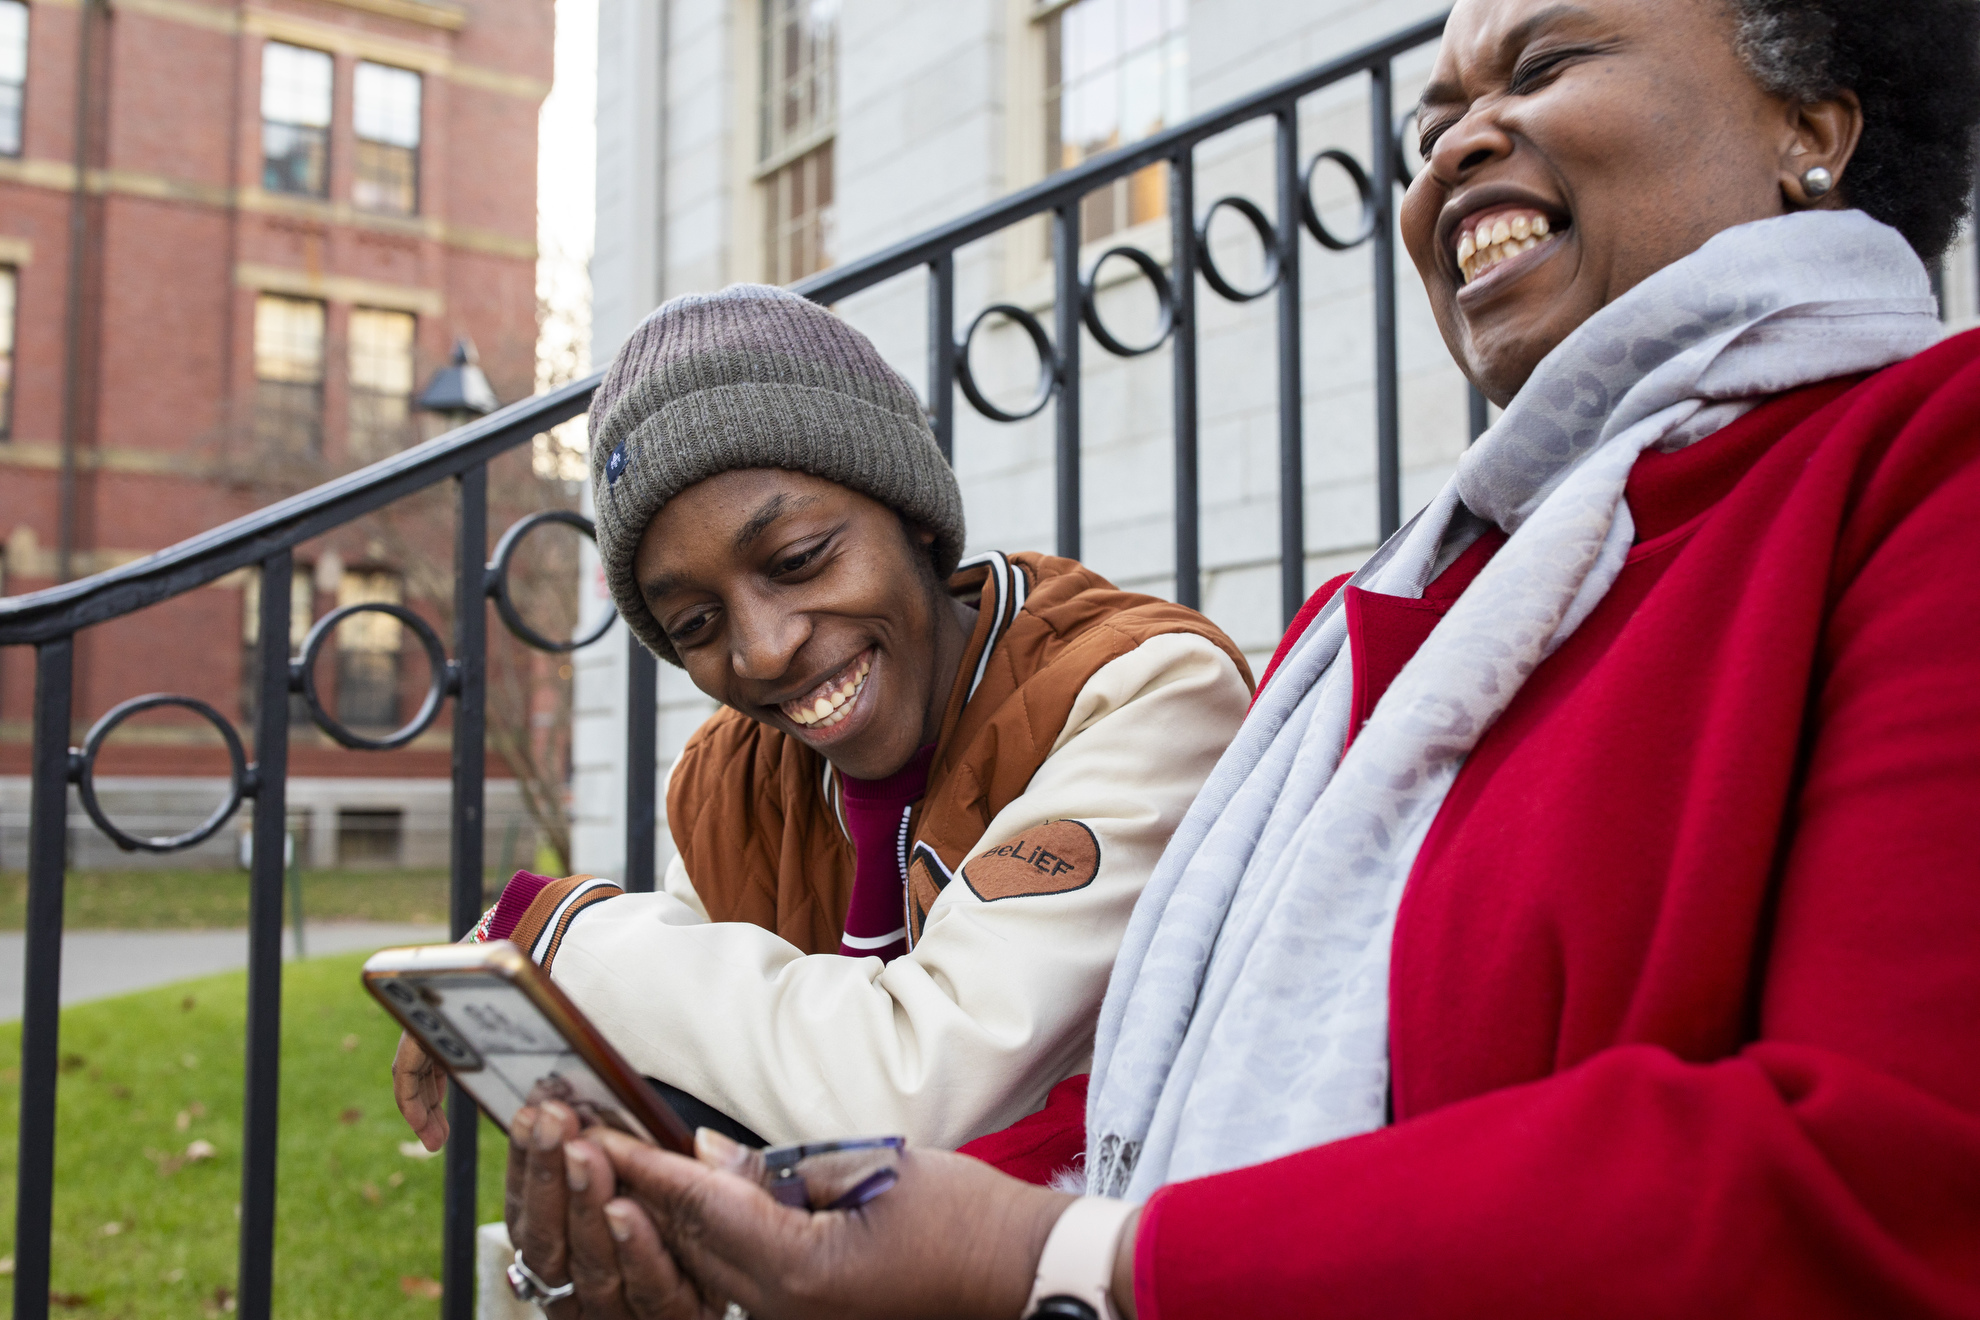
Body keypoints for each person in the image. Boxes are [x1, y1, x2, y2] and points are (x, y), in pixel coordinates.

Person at [496, 0, 1980, 1315]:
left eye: (1544, 60)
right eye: (1434, 115)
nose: (1461, 144)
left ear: (1815, 124)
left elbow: (1886, 1177)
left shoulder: (1927, 477)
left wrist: (1066, 1265)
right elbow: (1149, 1111)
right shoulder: (1395, 617)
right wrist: (755, 1230)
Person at [393, 284, 1254, 1154]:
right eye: (697, 625)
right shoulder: (729, 783)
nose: (762, 652)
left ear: (912, 515)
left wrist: (563, 945)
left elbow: (923, 1089)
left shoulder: (1139, 693)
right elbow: (689, 1074)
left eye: (799, 560)